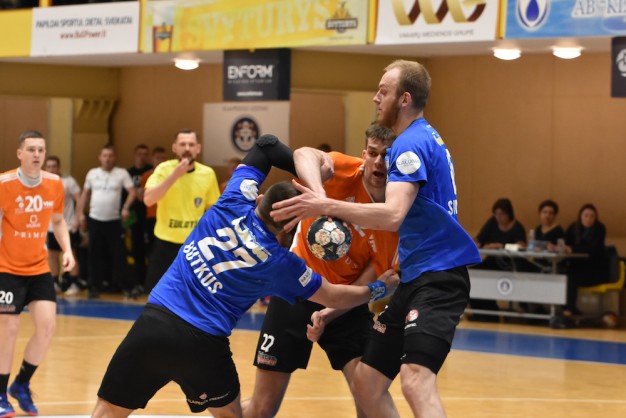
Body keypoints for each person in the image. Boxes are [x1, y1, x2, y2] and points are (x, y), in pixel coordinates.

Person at [90, 134, 399, 418]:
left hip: (154, 322)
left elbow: (266, 145)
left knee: (107, 411)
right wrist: (377, 289)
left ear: (259, 197)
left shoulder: (231, 202)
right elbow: (333, 295)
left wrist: (311, 175)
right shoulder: (281, 265)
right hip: (204, 344)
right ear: (290, 227)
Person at [271, 60, 481, 418]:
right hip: (416, 278)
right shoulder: (424, 137)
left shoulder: (409, 145)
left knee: (415, 381)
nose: (375, 98)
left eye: (383, 91)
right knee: (367, 383)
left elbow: (393, 214)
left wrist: (324, 204)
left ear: (404, 99)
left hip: (438, 278)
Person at [242, 123, 399, 418]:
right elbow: (304, 153)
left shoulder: (394, 214)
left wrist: (328, 314)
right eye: (373, 153)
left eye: (387, 155)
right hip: (294, 291)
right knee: (261, 409)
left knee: (369, 397)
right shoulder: (345, 170)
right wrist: (319, 195)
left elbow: (367, 279)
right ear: (364, 155)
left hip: (345, 303)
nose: (379, 162)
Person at [0, 130, 76, 416]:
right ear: (19, 153)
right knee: (8, 330)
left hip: (38, 267)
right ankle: (0, 394)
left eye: (41, 150)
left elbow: (58, 221)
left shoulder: (54, 183)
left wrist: (67, 250)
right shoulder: (4, 184)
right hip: (7, 268)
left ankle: (21, 385)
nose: (36, 155)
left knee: (47, 327)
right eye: (31, 149)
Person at [143, 129, 220, 292]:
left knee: (191, 295)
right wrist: (175, 175)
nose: (187, 148)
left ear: (198, 148)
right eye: (182, 144)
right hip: (164, 243)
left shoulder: (207, 173)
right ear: (174, 148)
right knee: (156, 294)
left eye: (191, 144)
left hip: (193, 246)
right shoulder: (163, 169)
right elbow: (148, 199)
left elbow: (213, 210)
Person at [77, 144, 137, 299]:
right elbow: (85, 194)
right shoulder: (92, 173)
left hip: (114, 221)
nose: (107, 159)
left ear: (114, 158)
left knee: (119, 254)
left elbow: (132, 192)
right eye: (104, 155)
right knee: (94, 254)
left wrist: (126, 207)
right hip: (95, 219)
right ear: (100, 157)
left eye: (110, 156)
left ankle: (126, 286)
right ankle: (93, 287)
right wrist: (80, 214)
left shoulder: (122, 173)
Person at [470, 198, 529, 317]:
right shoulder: (492, 223)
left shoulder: (517, 227)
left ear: (509, 214)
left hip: (510, 264)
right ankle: (480, 311)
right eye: (496, 214)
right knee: (474, 274)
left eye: (502, 214)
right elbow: (480, 239)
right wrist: (475, 243)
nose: (499, 217)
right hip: (492, 261)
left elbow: (521, 246)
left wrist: (501, 246)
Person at [43, 156, 82, 296]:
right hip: (50, 226)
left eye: (54, 166)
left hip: (68, 225)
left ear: (59, 167)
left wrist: (78, 217)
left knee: (70, 253)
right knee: (52, 255)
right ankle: (55, 282)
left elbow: (79, 200)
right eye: (49, 166)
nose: (51, 169)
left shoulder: (69, 181)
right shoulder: (42, 182)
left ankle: (74, 282)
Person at [562, 203, 607, 316]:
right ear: (580, 216)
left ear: (596, 218)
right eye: (586, 215)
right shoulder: (573, 227)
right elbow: (564, 243)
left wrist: (572, 249)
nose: (589, 219)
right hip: (576, 267)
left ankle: (568, 311)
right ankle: (568, 308)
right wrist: (557, 246)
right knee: (561, 275)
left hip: (594, 270)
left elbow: (593, 250)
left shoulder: (600, 229)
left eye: (592, 216)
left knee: (571, 278)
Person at [126, 144, 153, 291]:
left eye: (145, 154)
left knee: (149, 250)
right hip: (133, 216)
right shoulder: (128, 173)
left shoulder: (151, 172)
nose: (142, 157)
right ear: (135, 155)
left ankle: (148, 282)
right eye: (139, 154)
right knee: (135, 249)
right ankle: (137, 282)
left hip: (148, 216)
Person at [139, 146, 167, 263]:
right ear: (152, 159)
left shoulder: (170, 176)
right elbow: (142, 197)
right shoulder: (147, 176)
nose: (160, 160)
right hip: (151, 216)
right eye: (157, 158)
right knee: (151, 246)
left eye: (162, 158)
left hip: (166, 216)